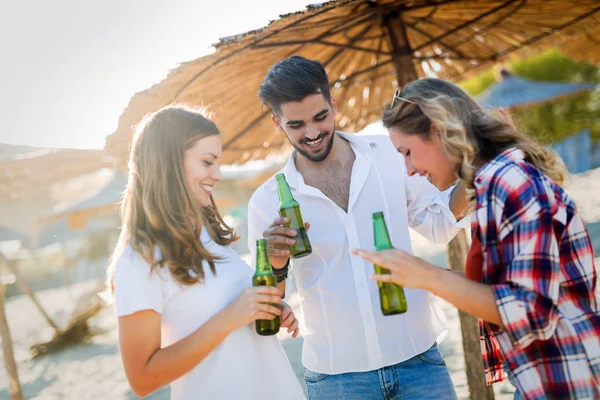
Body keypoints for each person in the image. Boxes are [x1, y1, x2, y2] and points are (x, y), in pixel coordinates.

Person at [353, 78, 600, 400]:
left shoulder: (511, 183)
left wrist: (429, 278)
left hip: (570, 377)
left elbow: (531, 311)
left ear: (440, 130)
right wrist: (421, 274)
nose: (409, 170)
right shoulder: (492, 184)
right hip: (545, 375)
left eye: (408, 152)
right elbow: (500, 289)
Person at [247, 56, 471, 400]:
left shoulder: (390, 155)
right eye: (296, 125)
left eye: (321, 116)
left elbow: (439, 224)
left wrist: (479, 166)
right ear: (277, 123)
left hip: (418, 360)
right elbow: (268, 312)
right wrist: (276, 265)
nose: (312, 133)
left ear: (333, 105)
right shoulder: (265, 203)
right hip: (337, 380)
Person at [106, 105, 305, 400]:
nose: (218, 174)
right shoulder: (139, 261)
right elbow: (143, 379)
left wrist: (266, 302)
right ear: (169, 162)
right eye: (208, 162)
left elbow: (235, 313)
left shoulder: (207, 235)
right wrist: (230, 317)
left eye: (218, 163)